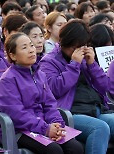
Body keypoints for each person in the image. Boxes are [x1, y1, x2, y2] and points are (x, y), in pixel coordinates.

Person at [0, 32, 83, 154]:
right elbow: (17, 115)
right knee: (54, 151)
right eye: (24, 48)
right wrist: (45, 129)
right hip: (18, 130)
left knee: (76, 148)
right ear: (13, 55)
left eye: (31, 45)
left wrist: (56, 124)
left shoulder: (39, 74)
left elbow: (50, 103)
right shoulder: (8, 80)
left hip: (42, 126)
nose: (31, 50)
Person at [40, 19, 114, 154]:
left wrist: (92, 65)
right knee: (100, 128)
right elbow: (54, 90)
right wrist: (74, 65)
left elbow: (106, 87)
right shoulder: (49, 61)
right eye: (75, 47)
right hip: (67, 113)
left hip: (93, 109)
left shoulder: (86, 60)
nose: (79, 50)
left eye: (83, 45)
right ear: (64, 43)